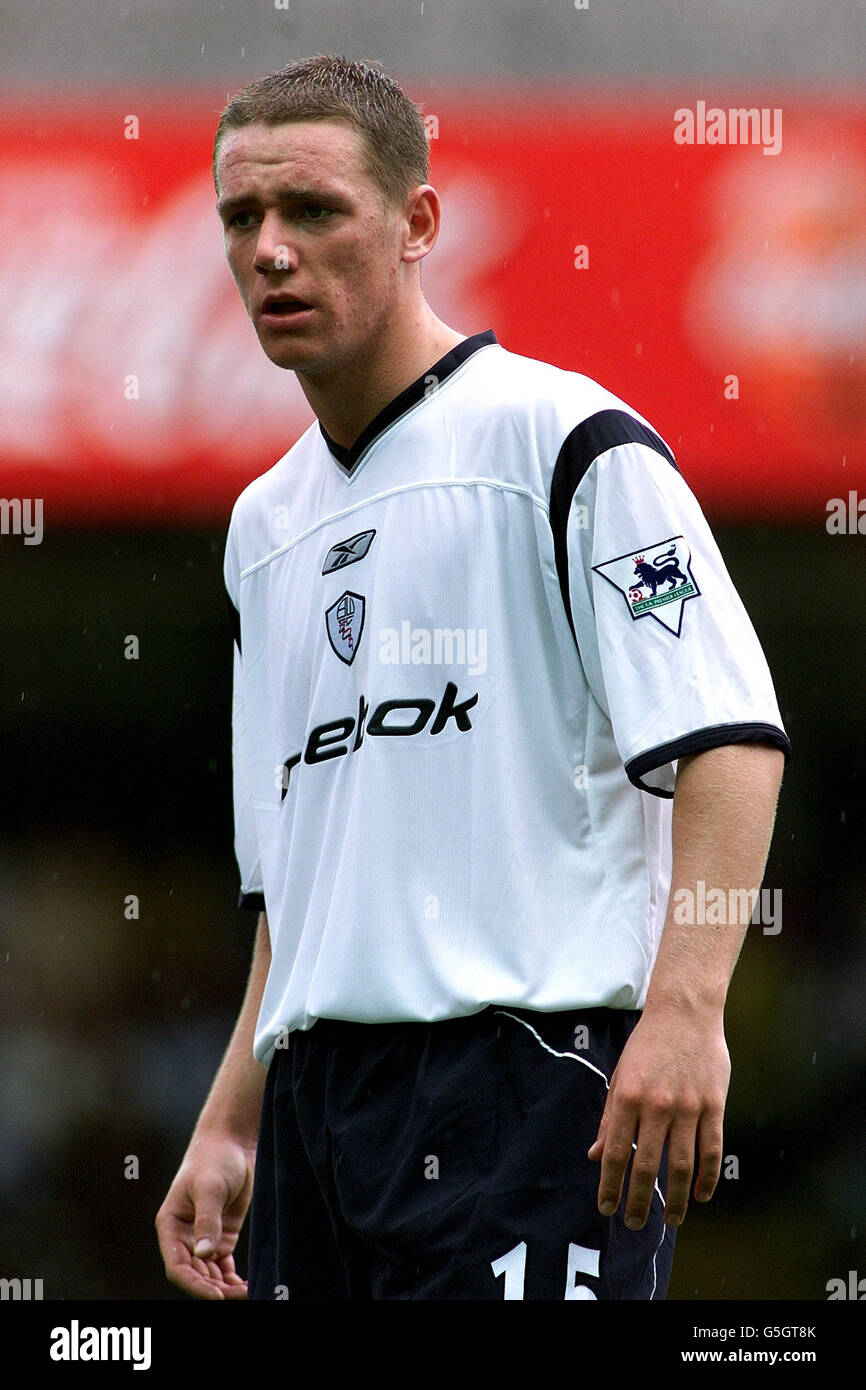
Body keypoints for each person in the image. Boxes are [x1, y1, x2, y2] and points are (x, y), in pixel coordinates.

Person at [155, 54, 790, 1301]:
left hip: (530, 1086)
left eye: (314, 210)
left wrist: (685, 1008)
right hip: (315, 1113)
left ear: (417, 223)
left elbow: (732, 739)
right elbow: (296, 877)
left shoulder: (564, 442)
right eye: (243, 218)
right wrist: (232, 1113)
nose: (270, 250)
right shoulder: (262, 526)